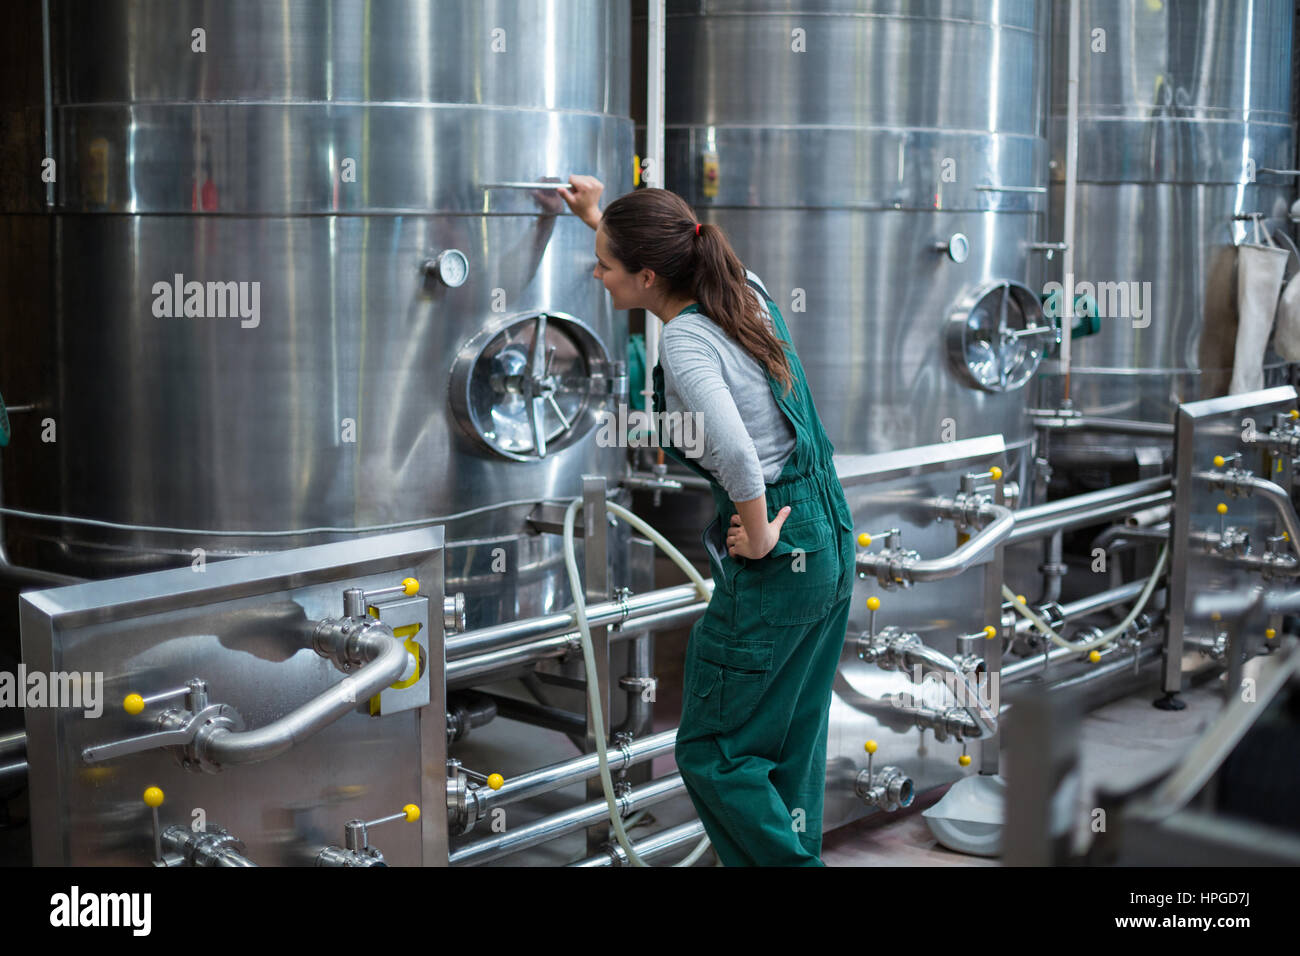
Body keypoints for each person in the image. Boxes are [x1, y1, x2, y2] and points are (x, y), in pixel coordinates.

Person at [559, 175, 856, 866]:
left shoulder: (686, 346)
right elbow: (655, 252)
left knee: (714, 754)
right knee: (789, 745)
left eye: (605, 266)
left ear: (646, 276)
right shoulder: (736, 284)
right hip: (830, 532)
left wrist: (755, 531)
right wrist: (596, 217)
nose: (597, 275)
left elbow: (736, 454)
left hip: (779, 550)